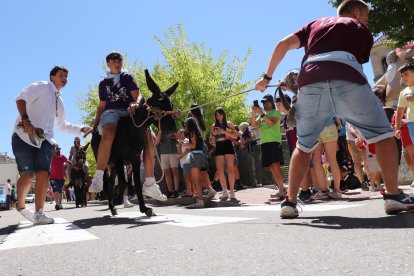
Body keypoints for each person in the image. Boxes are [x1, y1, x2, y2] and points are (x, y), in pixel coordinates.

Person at [255, 0, 413, 218]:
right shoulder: (358, 28)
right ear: (357, 13)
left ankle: (289, 202)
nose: (366, 21)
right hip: (346, 78)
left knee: (303, 146)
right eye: (365, 17)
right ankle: (394, 197)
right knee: (383, 135)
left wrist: (266, 77)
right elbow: (356, 61)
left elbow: (282, 44)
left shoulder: (314, 24)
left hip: (310, 81)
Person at [12, 65, 91, 224]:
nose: (64, 78)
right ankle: (20, 205)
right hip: (23, 136)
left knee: (43, 173)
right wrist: (26, 119)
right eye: (61, 75)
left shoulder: (60, 102)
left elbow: (63, 125)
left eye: (66, 76)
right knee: (27, 175)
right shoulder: (42, 86)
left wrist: (81, 128)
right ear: (52, 77)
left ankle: (39, 213)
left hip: (46, 141)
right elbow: (21, 98)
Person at [89, 52, 141, 193]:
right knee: (109, 131)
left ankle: (150, 181)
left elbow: (137, 96)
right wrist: (94, 126)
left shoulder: (127, 77)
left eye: (119, 61)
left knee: (149, 134)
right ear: (108, 64)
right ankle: (99, 176)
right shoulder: (103, 84)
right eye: (113, 61)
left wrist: (135, 104)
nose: (117, 63)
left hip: (129, 111)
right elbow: (101, 106)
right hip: (111, 112)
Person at [251, 94, 286, 200]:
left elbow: (271, 123)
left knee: (276, 166)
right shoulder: (262, 115)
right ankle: (281, 190)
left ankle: (282, 189)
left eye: (267, 101)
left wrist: (261, 114)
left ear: (272, 102)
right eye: (264, 102)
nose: (265, 104)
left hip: (274, 142)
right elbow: (253, 125)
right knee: (271, 168)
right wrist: (254, 113)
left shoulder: (275, 113)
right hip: (264, 144)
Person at [211, 107, 239, 200]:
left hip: (227, 144)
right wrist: (214, 134)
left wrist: (223, 131)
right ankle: (224, 191)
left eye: (220, 114)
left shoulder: (229, 124)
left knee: (230, 169)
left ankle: (232, 191)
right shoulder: (214, 125)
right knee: (220, 170)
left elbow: (235, 136)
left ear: (223, 114)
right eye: (217, 115)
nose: (219, 117)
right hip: (218, 145)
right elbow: (211, 140)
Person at [184, 117, 209, 208]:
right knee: (198, 178)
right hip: (200, 155)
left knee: (196, 180)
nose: (185, 127)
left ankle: (200, 201)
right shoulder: (198, 133)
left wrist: (186, 144)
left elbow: (193, 145)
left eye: (186, 125)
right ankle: (208, 190)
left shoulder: (192, 133)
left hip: (195, 156)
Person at [49, 144, 78, 210]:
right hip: (53, 178)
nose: (58, 150)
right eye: (57, 149)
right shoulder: (51, 156)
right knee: (55, 190)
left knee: (60, 192)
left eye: (59, 149)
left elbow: (68, 162)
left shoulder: (62, 156)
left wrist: (74, 166)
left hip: (61, 178)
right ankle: (57, 204)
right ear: (54, 150)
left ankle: (60, 204)